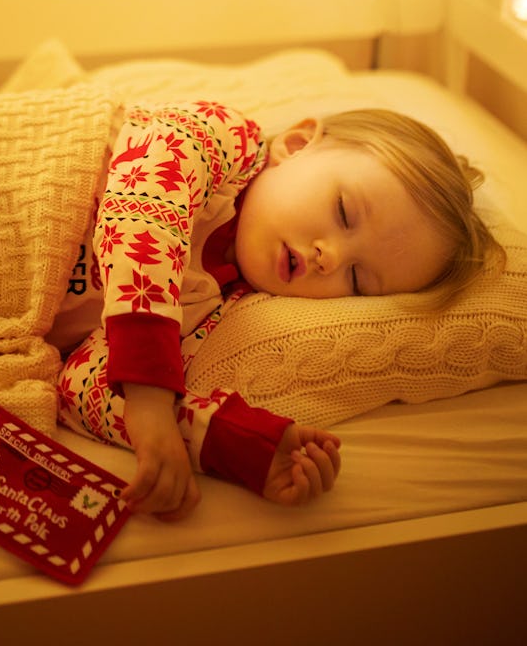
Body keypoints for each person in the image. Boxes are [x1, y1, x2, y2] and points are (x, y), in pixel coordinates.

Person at [51, 102, 505, 522]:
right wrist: (149, 393)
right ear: (296, 144)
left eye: (356, 279)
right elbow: (146, 203)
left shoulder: (214, 307)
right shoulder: (222, 141)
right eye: (344, 213)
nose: (330, 257)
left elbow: (81, 381)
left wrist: (234, 443)